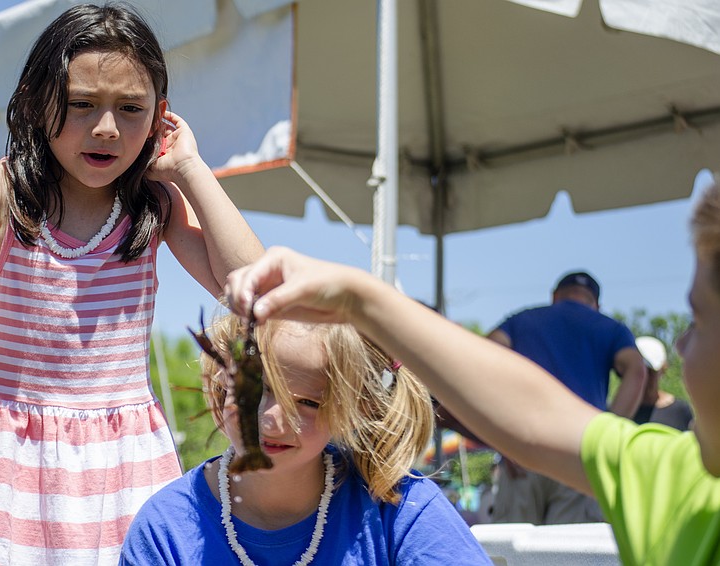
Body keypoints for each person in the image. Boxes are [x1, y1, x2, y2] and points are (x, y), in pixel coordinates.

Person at [0, 5, 263, 565]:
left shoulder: (153, 204)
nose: (106, 128)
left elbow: (252, 289)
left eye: (131, 109)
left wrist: (191, 170)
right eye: (80, 105)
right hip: (2, 451)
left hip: (120, 455)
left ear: (159, 118)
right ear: (33, 102)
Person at [222, 176, 720, 566]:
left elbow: (501, 367)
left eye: (696, 321)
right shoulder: (682, 478)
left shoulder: (686, 489)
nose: (680, 343)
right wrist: (359, 300)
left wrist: (362, 302)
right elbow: (536, 415)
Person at [120, 313, 491, 565]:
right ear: (221, 382)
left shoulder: (398, 505)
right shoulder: (165, 528)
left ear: (352, 407)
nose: (270, 419)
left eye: (309, 403)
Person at [484, 270, 646, 525]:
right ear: (596, 303)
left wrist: (502, 434)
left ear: (554, 296)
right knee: (568, 552)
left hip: (523, 449)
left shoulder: (522, 321)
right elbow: (637, 372)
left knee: (511, 552)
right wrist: (606, 435)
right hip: (578, 453)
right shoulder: (610, 328)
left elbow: (484, 357)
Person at [632, 335, 694, 431]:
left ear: (663, 369)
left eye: (650, 372)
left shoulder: (680, 412)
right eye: (638, 370)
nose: (643, 377)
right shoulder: (619, 411)